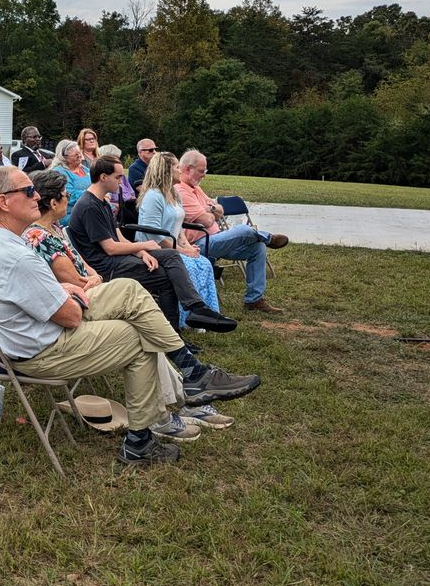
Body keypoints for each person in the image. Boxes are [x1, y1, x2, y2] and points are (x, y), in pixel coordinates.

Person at [0, 165, 212, 465]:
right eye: (29, 191)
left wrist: (65, 288)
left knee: (128, 289)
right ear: (4, 202)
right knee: (137, 336)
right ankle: (140, 440)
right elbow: (69, 317)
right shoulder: (17, 256)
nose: (37, 197)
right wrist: (66, 293)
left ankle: (191, 370)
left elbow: (35, 292)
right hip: (41, 350)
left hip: (23, 336)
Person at [24, 169, 234, 430]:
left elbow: (85, 268)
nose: (69, 200)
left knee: (151, 308)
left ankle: (186, 389)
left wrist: (105, 271)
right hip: (77, 305)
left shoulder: (55, 229)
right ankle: (183, 394)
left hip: (92, 289)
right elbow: (79, 281)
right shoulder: (39, 236)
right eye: (66, 196)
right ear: (53, 203)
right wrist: (103, 273)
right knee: (143, 323)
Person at [67, 156, 259, 404]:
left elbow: (120, 239)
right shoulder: (89, 206)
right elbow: (110, 249)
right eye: (117, 177)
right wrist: (146, 244)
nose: (121, 181)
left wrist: (142, 251)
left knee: (167, 267)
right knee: (168, 264)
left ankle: (185, 323)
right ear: (103, 178)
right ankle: (191, 315)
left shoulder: (102, 202)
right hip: (107, 268)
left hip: (118, 259)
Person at [176, 149, 288, 314]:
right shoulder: (181, 191)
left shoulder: (196, 188)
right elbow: (207, 220)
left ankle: (254, 300)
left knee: (258, 248)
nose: (204, 175)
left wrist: (211, 209)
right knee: (243, 230)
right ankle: (268, 238)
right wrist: (211, 212)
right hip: (199, 244)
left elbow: (220, 210)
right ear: (187, 169)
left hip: (217, 239)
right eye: (202, 171)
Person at [135, 151, 221, 322]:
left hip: (172, 247)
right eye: (176, 167)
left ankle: (205, 313)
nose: (180, 170)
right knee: (188, 266)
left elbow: (179, 227)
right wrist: (182, 251)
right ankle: (186, 317)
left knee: (203, 263)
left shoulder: (173, 194)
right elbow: (155, 234)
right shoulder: (153, 196)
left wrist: (188, 247)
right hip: (152, 248)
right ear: (165, 171)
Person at [48, 140, 89, 227]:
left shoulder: (85, 169)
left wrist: (105, 194)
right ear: (64, 157)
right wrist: (95, 194)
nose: (79, 156)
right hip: (70, 213)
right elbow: (70, 194)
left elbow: (98, 183)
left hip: (90, 206)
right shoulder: (59, 171)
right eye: (75, 155)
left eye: (79, 154)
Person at [98, 143, 136, 216]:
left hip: (129, 206)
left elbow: (131, 193)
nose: (118, 161)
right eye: (115, 159)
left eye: (118, 158)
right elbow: (104, 200)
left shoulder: (121, 175)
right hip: (119, 210)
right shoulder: (103, 177)